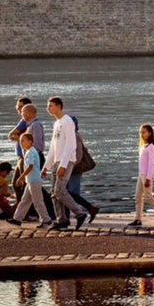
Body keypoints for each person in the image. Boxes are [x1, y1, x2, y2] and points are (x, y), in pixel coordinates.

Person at [45, 96, 88, 228]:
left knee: (59, 190)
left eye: (50, 105)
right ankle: (61, 219)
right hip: (57, 160)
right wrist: (46, 166)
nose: (48, 108)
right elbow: (53, 146)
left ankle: (79, 213)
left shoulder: (67, 121)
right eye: (48, 106)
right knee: (53, 192)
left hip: (66, 160)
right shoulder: (56, 123)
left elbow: (70, 144)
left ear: (58, 106)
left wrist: (63, 165)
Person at [127, 124, 154, 227]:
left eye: (144, 132)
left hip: (147, 175)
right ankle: (138, 219)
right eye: (140, 132)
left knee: (148, 197)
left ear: (150, 133)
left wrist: (148, 178)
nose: (141, 134)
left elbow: (151, 164)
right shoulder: (143, 145)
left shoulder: (151, 146)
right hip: (141, 175)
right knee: (138, 197)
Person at [9, 133, 49, 225]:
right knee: (25, 201)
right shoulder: (30, 151)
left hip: (34, 181)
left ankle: (46, 219)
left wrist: (20, 177)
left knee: (37, 201)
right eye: (20, 141)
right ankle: (17, 218)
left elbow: (30, 166)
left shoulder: (30, 152)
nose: (21, 143)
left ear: (30, 141)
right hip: (30, 181)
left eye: (23, 140)